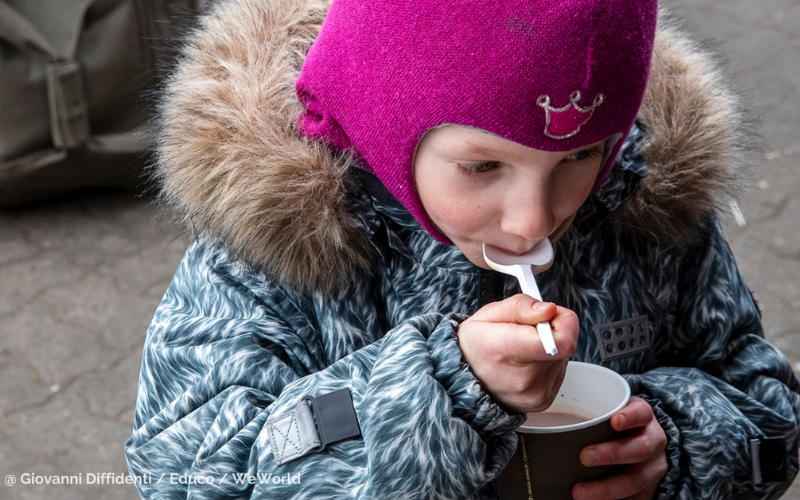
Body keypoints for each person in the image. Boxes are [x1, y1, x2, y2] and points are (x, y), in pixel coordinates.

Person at [125, 0, 800, 498]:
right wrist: (440, 388)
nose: (535, 217)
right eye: (482, 168)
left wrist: (676, 446)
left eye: (580, 155)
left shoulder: (641, 210)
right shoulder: (272, 256)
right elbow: (188, 474)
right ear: (387, 126)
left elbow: (765, 405)